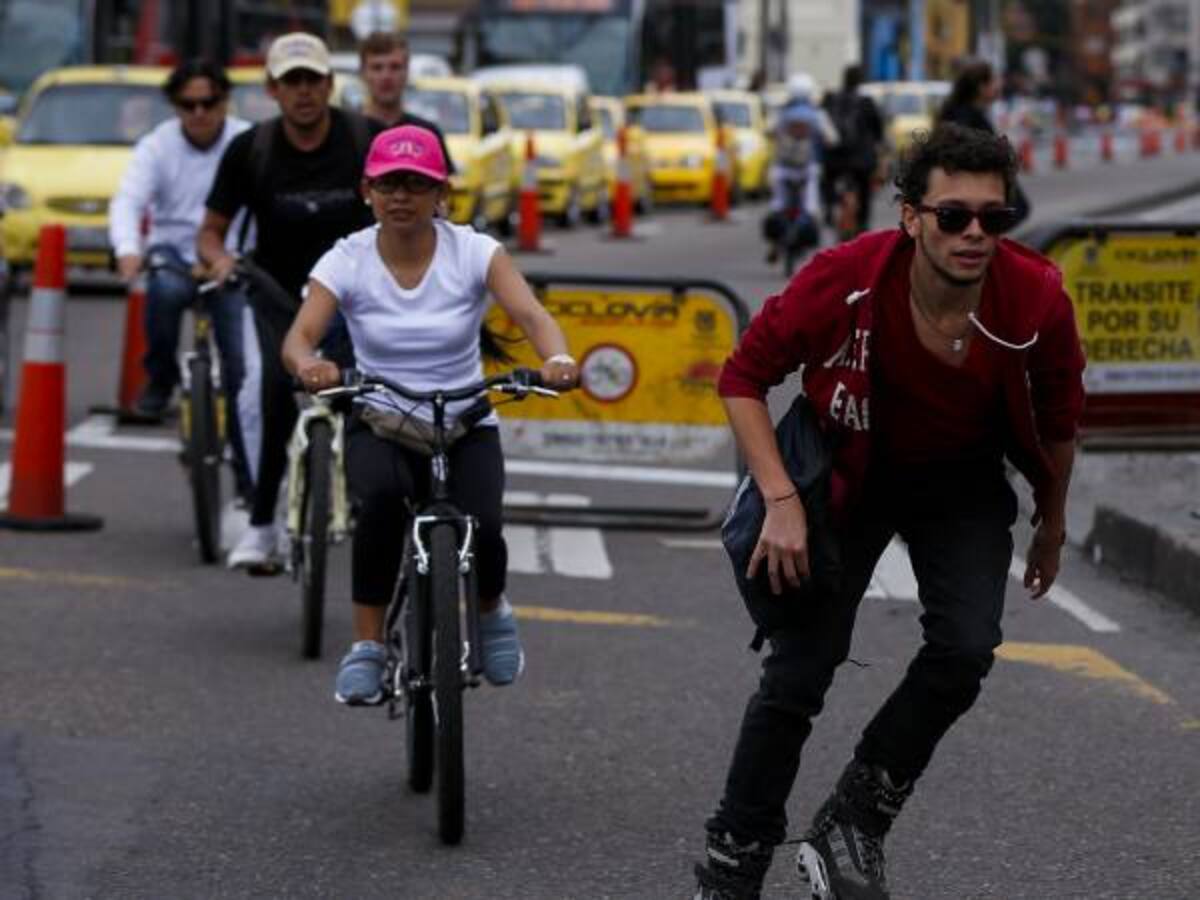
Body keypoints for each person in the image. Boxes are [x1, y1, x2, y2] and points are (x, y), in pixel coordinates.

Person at [693, 123, 1085, 899]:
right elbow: (742, 377)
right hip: (848, 470)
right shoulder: (845, 277)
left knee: (967, 649)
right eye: (953, 216)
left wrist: (1053, 520)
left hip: (961, 481)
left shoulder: (1035, 294)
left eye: (993, 219)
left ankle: (855, 820)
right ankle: (735, 855)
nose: (975, 234)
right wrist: (779, 500)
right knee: (802, 669)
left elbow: (1060, 416)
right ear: (910, 216)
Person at [281, 125, 579, 700]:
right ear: (367, 190)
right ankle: (367, 645)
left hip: (466, 418)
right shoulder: (347, 258)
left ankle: (491, 613)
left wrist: (558, 358)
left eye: (416, 185)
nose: (401, 196)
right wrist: (309, 364)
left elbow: (532, 315)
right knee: (381, 509)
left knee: (485, 526)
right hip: (381, 419)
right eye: (389, 183)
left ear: (440, 193)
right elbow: (301, 336)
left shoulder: (474, 251)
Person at [198, 32, 382, 572]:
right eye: (291, 81)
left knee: (368, 399)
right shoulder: (250, 149)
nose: (303, 92)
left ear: (330, 84)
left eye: (312, 80)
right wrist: (220, 261)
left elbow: (403, 206)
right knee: (272, 394)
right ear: (272, 89)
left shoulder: (363, 138)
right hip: (277, 293)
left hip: (355, 294)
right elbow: (210, 232)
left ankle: (370, 505)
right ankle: (261, 522)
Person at [109, 60, 254, 496]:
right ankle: (161, 378)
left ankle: (251, 480)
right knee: (165, 290)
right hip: (173, 250)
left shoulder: (246, 142)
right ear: (175, 106)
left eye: (208, 102)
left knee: (242, 368)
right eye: (188, 104)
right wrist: (128, 251)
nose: (199, 113)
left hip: (230, 257)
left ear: (224, 101)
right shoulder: (156, 146)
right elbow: (128, 201)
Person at [939, 58, 1031, 226]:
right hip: (977, 189)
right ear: (982, 87)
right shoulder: (965, 118)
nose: (1000, 85)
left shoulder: (970, 113)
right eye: (994, 80)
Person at [763, 72, 837, 264]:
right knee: (811, 209)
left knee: (778, 205)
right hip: (808, 170)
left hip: (782, 169)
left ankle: (774, 245)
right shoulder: (817, 114)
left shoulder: (781, 113)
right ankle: (811, 248)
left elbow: (768, 131)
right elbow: (832, 138)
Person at [821, 63, 884, 235]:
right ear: (860, 81)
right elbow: (878, 129)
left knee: (827, 179)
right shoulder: (866, 102)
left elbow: (822, 125)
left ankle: (828, 209)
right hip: (860, 160)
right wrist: (878, 143)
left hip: (835, 158)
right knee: (864, 188)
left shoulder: (831, 99)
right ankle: (863, 222)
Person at [358, 30, 412, 127]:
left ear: (407, 72)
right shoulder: (346, 132)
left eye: (395, 67)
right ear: (362, 73)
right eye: (377, 68)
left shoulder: (424, 134)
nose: (386, 76)